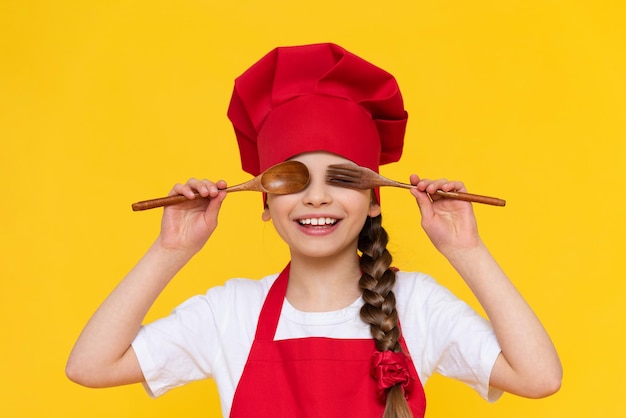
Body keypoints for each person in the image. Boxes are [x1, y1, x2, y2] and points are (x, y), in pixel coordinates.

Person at [66, 43, 562, 418]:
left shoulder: (416, 306)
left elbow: (539, 378)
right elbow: (89, 367)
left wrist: (466, 249)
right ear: (265, 202)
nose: (317, 198)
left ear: (373, 200)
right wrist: (169, 250)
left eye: (342, 178)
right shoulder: (230, 313)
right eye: (294, 179)